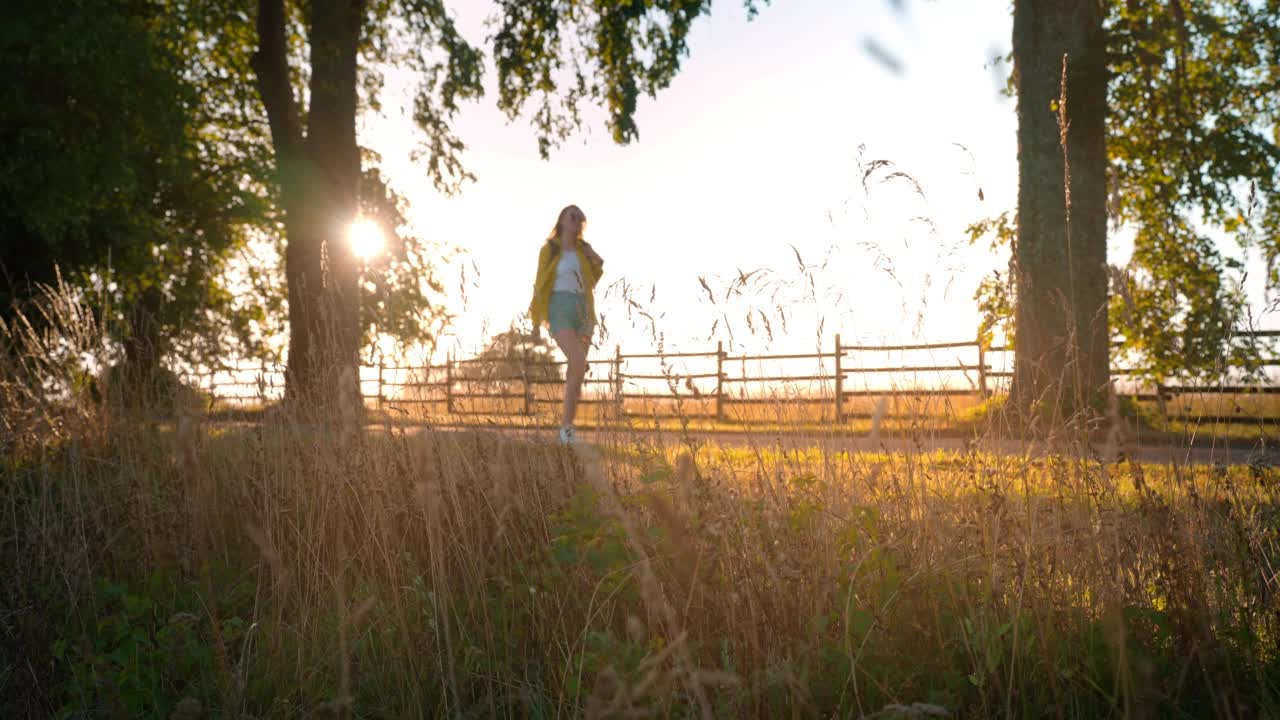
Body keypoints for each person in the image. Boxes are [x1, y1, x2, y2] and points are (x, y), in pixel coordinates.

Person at [529, 205, 604, 444]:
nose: (576, 220)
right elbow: (540, 283)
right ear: (561, 220)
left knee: (577, 372)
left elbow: (592, 280)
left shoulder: (583, 249)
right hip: (559, 307)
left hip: (583, 308)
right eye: (572, 216)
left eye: (580, 217)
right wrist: (535, 323)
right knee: (579, 361)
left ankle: (566, 429)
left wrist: (598, 261)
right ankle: (566, 429)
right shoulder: (550, 249)